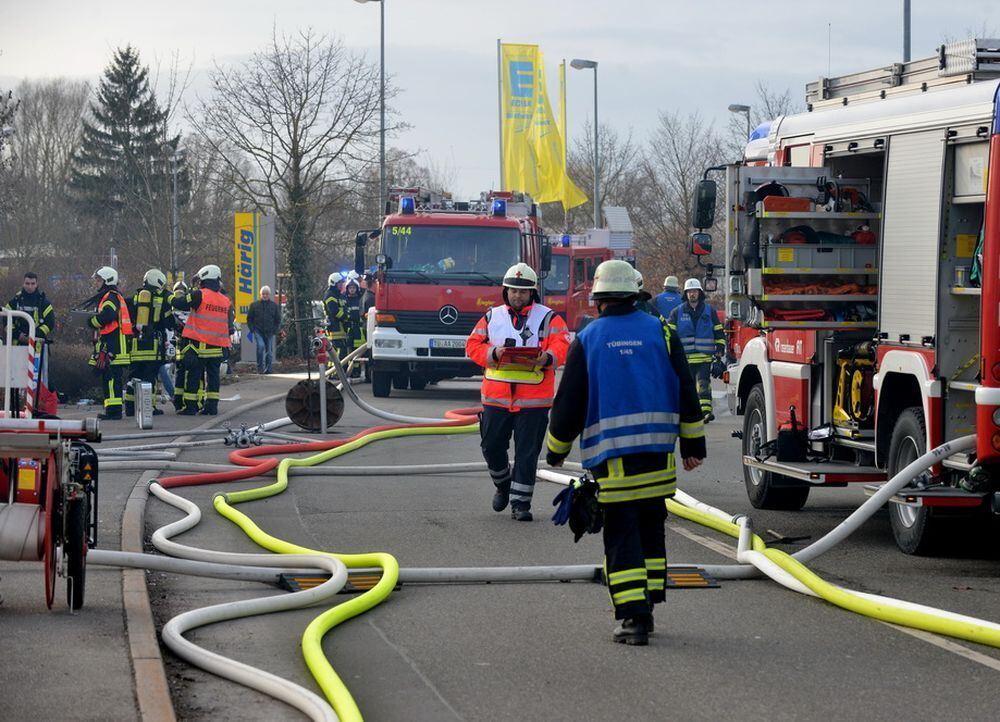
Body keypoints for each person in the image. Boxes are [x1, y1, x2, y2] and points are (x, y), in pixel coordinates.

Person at [545, 259, 706, 646]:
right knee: (651, 529)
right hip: (658, 461)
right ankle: (649, 600)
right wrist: (693, 445)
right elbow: (687, 389)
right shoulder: (661, 331)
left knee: (621, 537)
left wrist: (555, 450)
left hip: (614, 465)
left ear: (598, 299)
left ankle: (634, 619)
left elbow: (569, 403)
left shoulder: (589, 338)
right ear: (636, 295)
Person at [465, 262, 570, 521]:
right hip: (496, 400)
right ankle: (503, 485)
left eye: (523, 292)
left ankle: (521, 504)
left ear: (532, 293)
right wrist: (492, 353)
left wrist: (547, 358)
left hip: (534, 401)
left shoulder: (549, 318)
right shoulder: (492, 317)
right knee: (491, 447)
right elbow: (472, 345)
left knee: (527, 453)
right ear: (505, 291)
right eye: (513, 290)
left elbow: (564, 345)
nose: (517, 295)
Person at [172, 264, 233, 416]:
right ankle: (212, 407)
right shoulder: (226, 300)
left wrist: (169, 296)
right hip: (217, 347)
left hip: (198, 345)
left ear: (204, 279)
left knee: (193, 376)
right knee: (213, 378)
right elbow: (229, 324)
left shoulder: (199, 294)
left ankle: (191, 407)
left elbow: (180, 304)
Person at [667, 278, 725, 422]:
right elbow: (669, 335)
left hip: (705, 358)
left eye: (695, 291)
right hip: (685, 359)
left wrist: (720, 350)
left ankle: (705, 412)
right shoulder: (676, 312)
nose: (692, 294)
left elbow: (718, 331)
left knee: (704, 384)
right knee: (688, 387)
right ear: (685, 294)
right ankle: (691, 413)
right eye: (689, 292)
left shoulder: (709, 310)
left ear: (699, 293)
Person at [124, 269, 173, 416]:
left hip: (135, 345)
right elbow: (169, 322)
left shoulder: (134, 299)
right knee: (149, 378)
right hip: (152, 346)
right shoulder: (161, 300)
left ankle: (130, 408)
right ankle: (149, 408)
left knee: (134, 377)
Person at [87, 266, 133, 420]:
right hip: (114, 344)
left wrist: (93, 321)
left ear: (107, 280)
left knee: (112, 379)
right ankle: (111, 410)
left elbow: (108, 315)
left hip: (114, 345)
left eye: (99, 280)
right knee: (110, 378)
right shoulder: (112, 296)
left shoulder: (110, 297)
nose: (96, 283)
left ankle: (114, 412)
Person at [3, 271, 56, 385]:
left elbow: (50, 323)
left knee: (37, 379)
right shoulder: (15, 301)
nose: (30, 286)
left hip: (37, 347)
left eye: (32, 283)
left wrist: (33, 335)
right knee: (16, 378)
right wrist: (18, 335)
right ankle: (18, 401)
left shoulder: (44, 302)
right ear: (23, 283)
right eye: (27, 283)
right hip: (17, 346)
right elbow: (6, 321)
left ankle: (37, 401)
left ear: (37, 284)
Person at [169, 280, 192, 411]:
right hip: (189, 344)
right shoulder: (189, 307)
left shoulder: (172, 307)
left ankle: (178, 401)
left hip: (179, 344)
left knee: (180, 372)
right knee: (188, 372)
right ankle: (184, 401)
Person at [246, 285, 280, 374]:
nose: (265, 296)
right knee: (260, 347)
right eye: (263, 294)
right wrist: (252, 329)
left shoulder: (274, 306)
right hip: (258, 330)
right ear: (260, 295)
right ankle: (260, 368)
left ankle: (268, 369)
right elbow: (249, 319)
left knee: (269, 352)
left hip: (269, 331)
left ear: (269, 295)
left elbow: (278, 319)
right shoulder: (254, 305)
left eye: (267, 294)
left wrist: (275, 330)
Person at [323, 273, 348, 358]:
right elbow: (334, 311)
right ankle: (335, 370)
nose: (341, 285)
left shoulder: (339, 295)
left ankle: (338, 369)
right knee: (338, 352)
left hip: (341, 328)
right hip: (334, 328)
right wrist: (345, 317)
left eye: (342, 283)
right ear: (333, 283)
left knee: (341, 351)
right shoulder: (330, 295)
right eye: (339, 283)